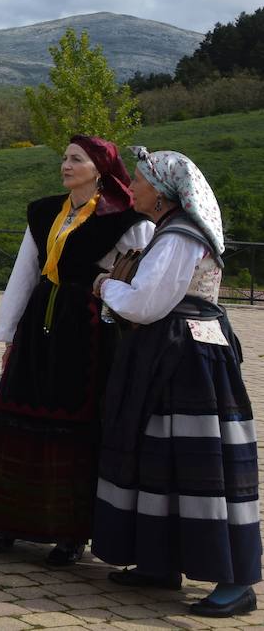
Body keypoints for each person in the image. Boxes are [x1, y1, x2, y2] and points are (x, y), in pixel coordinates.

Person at [90, 148, 260, 618]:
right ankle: (159, 562)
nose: (133, 188)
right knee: (158, 457)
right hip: (175, 356)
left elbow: (146, 304)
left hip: (186, 361)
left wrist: (106, 286)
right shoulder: (171, 231)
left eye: (140, 181)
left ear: (162, 195)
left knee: (200, 463)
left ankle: (236, 580)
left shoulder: (179, 237)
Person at [0, 136, 152, 566]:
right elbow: (25, 271)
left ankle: (71, 532)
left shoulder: (124, 218)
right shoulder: (44, 211)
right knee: (18, 411)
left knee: (77, 423)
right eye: (65, 159)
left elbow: (140, 272)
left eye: (76, 159)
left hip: (88, 330)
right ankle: (6, 521)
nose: (66, 165)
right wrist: (10, 334)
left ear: (100, 169)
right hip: (39, 323)